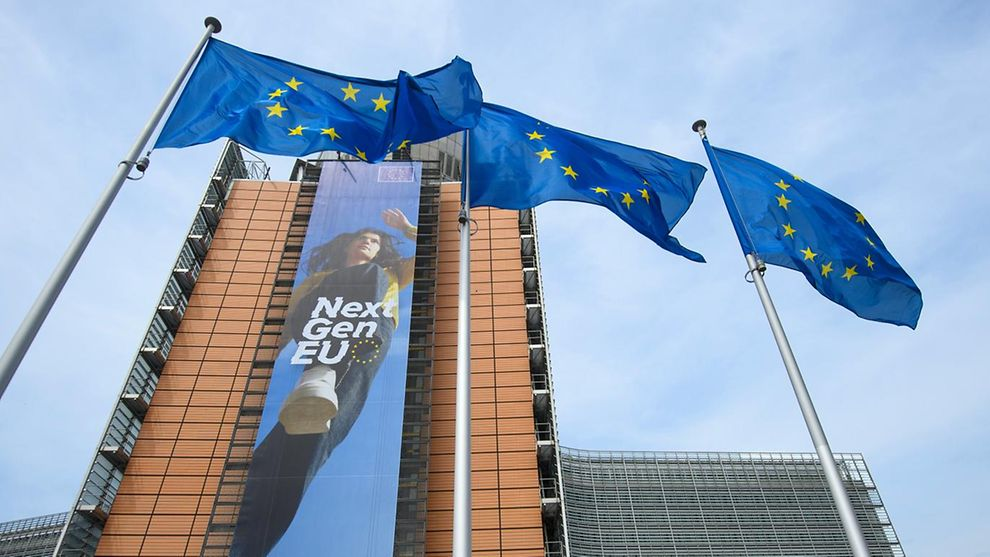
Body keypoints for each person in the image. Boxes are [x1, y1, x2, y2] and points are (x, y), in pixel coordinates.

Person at [229, 208, 417, 557]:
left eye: (375, 241)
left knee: (315, 435)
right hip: (318, 331)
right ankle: (319, 373)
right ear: (347, 243)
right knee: (278, 460)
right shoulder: (319, 280)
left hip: (366, 335)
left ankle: (321, 377)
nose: (368, 241)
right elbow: (286, 324)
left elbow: (430, 250)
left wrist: (405, 227)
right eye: (363, 237)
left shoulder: (389, 274)